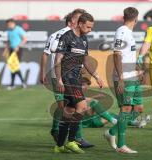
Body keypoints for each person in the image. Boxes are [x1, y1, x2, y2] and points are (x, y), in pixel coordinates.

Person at [39, 9, 94, 148]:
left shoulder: (82, 37)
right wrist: (45, 74)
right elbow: (48, 55)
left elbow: (81, 57)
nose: (78, 22)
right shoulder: (58, 36)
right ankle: (67, 137)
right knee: (71, 107)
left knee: (71, 108)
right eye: (77, 19)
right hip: (60, 76)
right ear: (72, 21)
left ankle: (69, 140)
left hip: (73, 76)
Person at [54, 12, 104, 153]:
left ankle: (59, 146)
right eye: (88, 27)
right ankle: (71, 141)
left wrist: (96, 75)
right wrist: (59, 79)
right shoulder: (67, 37)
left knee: (69, 111)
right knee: (82, 106)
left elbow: (85, 60)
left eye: (91, 28)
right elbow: (57, 60)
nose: (90, 30)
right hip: (67, 77)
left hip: (75, 78)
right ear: (80, 24)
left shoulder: (83, 39)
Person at [104, 7, 141, 154]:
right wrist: (120, 78)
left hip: (133, 76)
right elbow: (117, 54)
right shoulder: (122, 31)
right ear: (136, 19)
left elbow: (128, 54)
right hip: (124, 77)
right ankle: (121, 145)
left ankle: (111, 132)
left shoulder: (129, 33)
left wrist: (138, 68)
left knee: (138, 109)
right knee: (125, 109)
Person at [3, 19, 27, 90]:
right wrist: (5, 51)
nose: (8, 26)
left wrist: (18, 46)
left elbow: (25, 39)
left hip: (18, 50)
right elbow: (8, 42)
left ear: (12, 23)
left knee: (15, 66)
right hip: (11, 50)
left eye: (8, 24)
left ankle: (16, 84)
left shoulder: (18, 29)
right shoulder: (9, 31)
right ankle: (19, 83)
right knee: (12, 66)